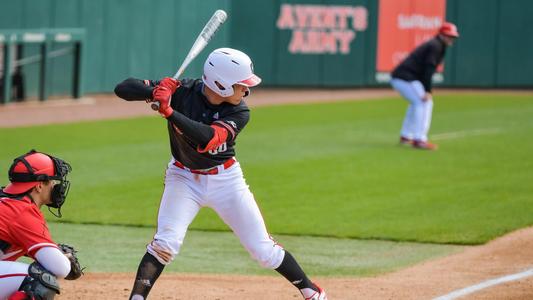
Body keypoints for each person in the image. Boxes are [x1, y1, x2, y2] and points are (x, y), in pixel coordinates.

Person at [114, 48, 327, 300]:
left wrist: (169, 111)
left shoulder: (240, 112)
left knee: (263, 251)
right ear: (221, 85)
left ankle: (311, 291)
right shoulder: (183, 90)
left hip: (226, 181)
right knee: (165, 244)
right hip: (182, 178)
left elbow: (208, 138)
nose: (246, 91)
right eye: (241, 85)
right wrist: (155, 90)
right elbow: (123, 88)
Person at [0, 150, 82, 299]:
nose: (55, 186)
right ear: (38, 186)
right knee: (41, 279)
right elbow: (61, 268)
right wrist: (64, 257)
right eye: (52, 181)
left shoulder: (7, 202)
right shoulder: (21, 211)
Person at [390, 22, 459, 150]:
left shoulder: (438, 45)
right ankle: (420, 139)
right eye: (449, 35)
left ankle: (406, 135)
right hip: (405, 78)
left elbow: (426, 70)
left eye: (453, 36)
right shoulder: (435, 46)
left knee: (417, 103)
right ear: (442, 35)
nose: (451, 38)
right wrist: (427, 90)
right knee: (424, 103)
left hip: (405, 78)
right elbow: (428, 69)